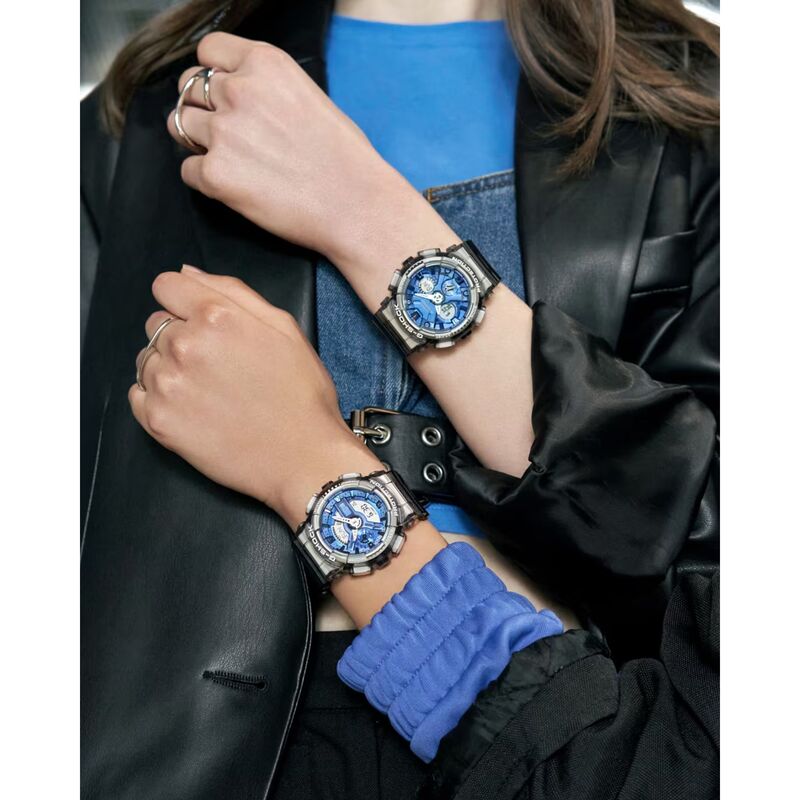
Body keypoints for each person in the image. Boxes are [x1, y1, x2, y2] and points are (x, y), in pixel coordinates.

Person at [80, 0, 719, 798]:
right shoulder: (129, 124)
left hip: (565, 738)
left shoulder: (704, 109)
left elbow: (709, 569)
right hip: (212, 755)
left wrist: (363, 212)